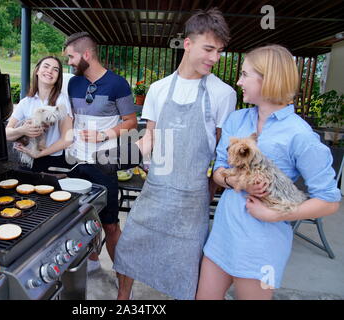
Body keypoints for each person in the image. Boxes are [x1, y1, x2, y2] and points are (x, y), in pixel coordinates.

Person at [196, 44, 341, 300]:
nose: (238, 81)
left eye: (245, 74)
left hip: (262, 245)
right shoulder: (236, 120)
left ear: (268, 79)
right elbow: (217, 171)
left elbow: (329, 201)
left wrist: (273, 214)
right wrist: (235, 180)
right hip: (223, 234)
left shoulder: (300, 135)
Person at [112, 8, 236, 300]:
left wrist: (208, 191)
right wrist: (121, 156)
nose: (215, 58)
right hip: (155, 190)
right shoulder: (159, 89)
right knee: (130, 247)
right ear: (188, 44)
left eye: (219, 51)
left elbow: (220, 153)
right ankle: (122, 300)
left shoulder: (223, 94)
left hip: (192, 198)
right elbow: (150, 138)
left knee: (186, 268)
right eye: (209, 49)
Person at [63, 32, 138, 273]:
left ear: (86, 55)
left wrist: (103, 135)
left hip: (104, 165)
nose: (69, 62)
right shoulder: (73, 83)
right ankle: (92, 261)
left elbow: (131, 122)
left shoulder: (117, 83)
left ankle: (122, 277)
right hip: (75, 163)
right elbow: (70, 119)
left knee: (110, 225)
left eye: (71, 57)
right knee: (79, 220)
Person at [5, 56, 73, 172]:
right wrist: (23, 130)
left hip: (53, 160)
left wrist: (38, 154)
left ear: (58, 77)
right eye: (46, 66)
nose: (50, 71)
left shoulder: (61, 100)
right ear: (37, 71)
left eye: (55, 69)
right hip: (26, 161)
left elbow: (67, 139)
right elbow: (7, 134)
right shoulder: (25, 102)